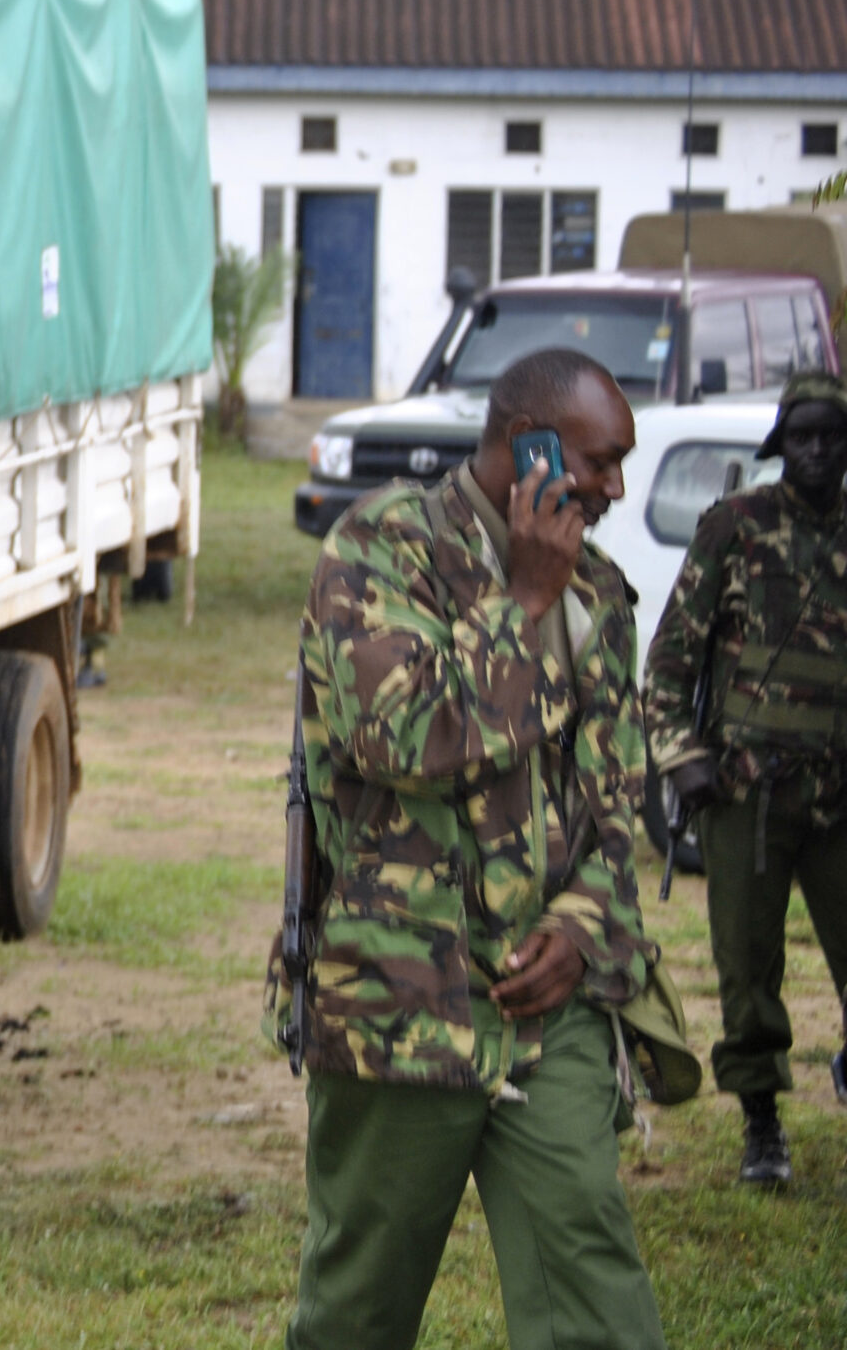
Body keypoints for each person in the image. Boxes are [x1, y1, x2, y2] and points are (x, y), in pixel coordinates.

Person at [278, 345, 663, 1350]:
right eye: (596, 460)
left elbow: (621, 793)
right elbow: (405, 739)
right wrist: (524, 601)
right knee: (357, 1308)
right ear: (521, 446)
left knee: (594, 1291)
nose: (614, 486)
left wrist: (581, 927)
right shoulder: (379, 550)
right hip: (401, 1005)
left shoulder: (599, 591)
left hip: (551, 1010)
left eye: (621, 463)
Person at [643, 369, 847, 1186]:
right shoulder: (735, 526)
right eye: (804, 436)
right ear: (780, 443)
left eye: (834, 435)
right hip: (746, 793)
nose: (820, 450)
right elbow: (668, 662)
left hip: (840, 793)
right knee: (748, 966)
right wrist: (683, 761)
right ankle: (762, 1125)